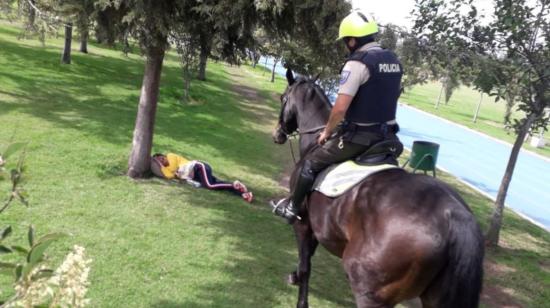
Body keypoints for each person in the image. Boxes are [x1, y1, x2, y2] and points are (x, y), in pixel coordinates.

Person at [271, 10, 403, 223]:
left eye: (345, 41)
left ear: (352, 41)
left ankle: (292, 209)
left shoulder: (357, 64)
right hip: (389, 139)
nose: (345, 45)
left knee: (309, 164)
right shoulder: (394, 61)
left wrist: (327, 132)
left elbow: (340, 109)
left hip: (360, 139)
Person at [151, 153, 253, 203]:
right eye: (159, 161)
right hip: (195, 174)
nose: (162, 160)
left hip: (198, 167)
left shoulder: (170, 156)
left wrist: (161, 166)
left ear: (164, 155)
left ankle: (234, 185)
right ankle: (243, 193)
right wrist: (161, 166)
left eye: (161, 158)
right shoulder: (167, 169)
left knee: (210, 185)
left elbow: (171, 171)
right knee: (217, 184)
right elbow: (169, 176)